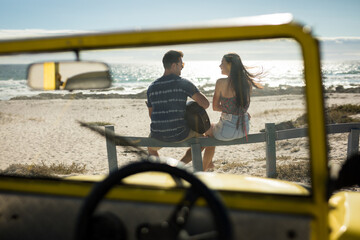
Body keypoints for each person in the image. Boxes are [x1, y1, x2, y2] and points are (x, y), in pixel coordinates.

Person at [146, 50, 215, 170]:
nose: (182, 68)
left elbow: (151, 115)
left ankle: (163, 170)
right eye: (181, 65)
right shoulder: (183, 83)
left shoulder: (151, 87)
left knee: (150, 148)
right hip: (180, 133)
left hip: (157, 134)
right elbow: (205, 104)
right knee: (207, 139)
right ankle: (178, 166)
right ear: (174, 65)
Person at [210, 53, 263, 141]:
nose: (220, 65)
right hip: (244, 131)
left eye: (222, 63)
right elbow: (240, 104)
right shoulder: (247, 82)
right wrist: (240, 111)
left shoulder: (220, 82)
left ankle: (197, 154)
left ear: (229, 65)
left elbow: (215, 107)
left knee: (207, 130)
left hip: (226, 132)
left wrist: (230, 111)